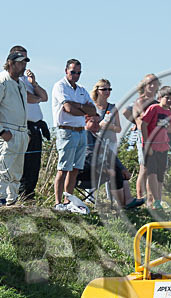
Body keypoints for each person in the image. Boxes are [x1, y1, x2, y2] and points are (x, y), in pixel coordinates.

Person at [0, 51, 30, 207]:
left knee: (17, 171)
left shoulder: (20, 83)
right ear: (10, 63)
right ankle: (0, 200)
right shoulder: (0, 82)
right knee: (4, 168)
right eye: (20, 62)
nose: (23, 66)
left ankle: (12, 200)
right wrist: (1, 132)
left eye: (25, 63)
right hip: (8, 131)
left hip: (21, 132)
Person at [51, 58, 97, 210]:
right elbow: (68, 108)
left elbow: (93, 111)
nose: (75, 75)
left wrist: (78, 107)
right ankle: (58, 202)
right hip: (66, 130)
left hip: (80, 130)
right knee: (63, 168)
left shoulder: (82, 90)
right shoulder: (60, 86)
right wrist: (82, 109)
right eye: (73, 72)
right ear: (66, 71)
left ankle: (68, 201)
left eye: (78, 72)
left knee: (75, 169)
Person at [9, 45, 49, 203]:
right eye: (20, 59)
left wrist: (34, 84)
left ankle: (29, 195)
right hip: (22, 126)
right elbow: (26, 97)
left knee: (34, 164)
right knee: (22, 164)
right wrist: (36, 97)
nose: (24, 62)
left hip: (35, 126)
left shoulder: (27, 79)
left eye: (26, 59)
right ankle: (17, 195)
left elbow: (44, 96)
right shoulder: (12, 79)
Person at [79, 115, 143, 210]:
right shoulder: (85, 134)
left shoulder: (97, 137)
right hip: (84, 172)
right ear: (85, 121)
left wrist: (123, 169)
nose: (97, 125)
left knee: (118, 171)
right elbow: (89, 155)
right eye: (93, 122)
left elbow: (111, 155)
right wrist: (104, 169)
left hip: (97, 171)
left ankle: (128, 200)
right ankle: (123, 205)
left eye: (98, 122)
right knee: (115, 171)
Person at [140, 86, 171, 209]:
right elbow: (143, 124)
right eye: (167, 98)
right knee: (152, 173)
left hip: (163, 146)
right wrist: (147, 143)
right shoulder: (154, 108)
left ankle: (158, 199)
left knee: (160, 174)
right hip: (151, 145)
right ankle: (154, 200)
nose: (169, 101)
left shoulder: (169, 112)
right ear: (160, 98)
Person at [122, 73, 160, 202]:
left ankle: (151, 198)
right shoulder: (140, 101)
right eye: (150, 83)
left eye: (155, 83)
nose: (153, 85)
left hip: (156, 136)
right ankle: (140, 197)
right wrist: (137, 123)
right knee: (144, 167)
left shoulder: (156, 101)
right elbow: (127, 112)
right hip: (144, 136)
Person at [90, 78, 122, 152]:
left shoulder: (113, 108)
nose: (107, 91)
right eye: (104, 89)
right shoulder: (91, 107)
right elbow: (86, 127)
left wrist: (110, 127)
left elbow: (119, 129)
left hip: (111, 143)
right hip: (95, 143)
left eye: (109, 89)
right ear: (97, 91)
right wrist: (99, 125)